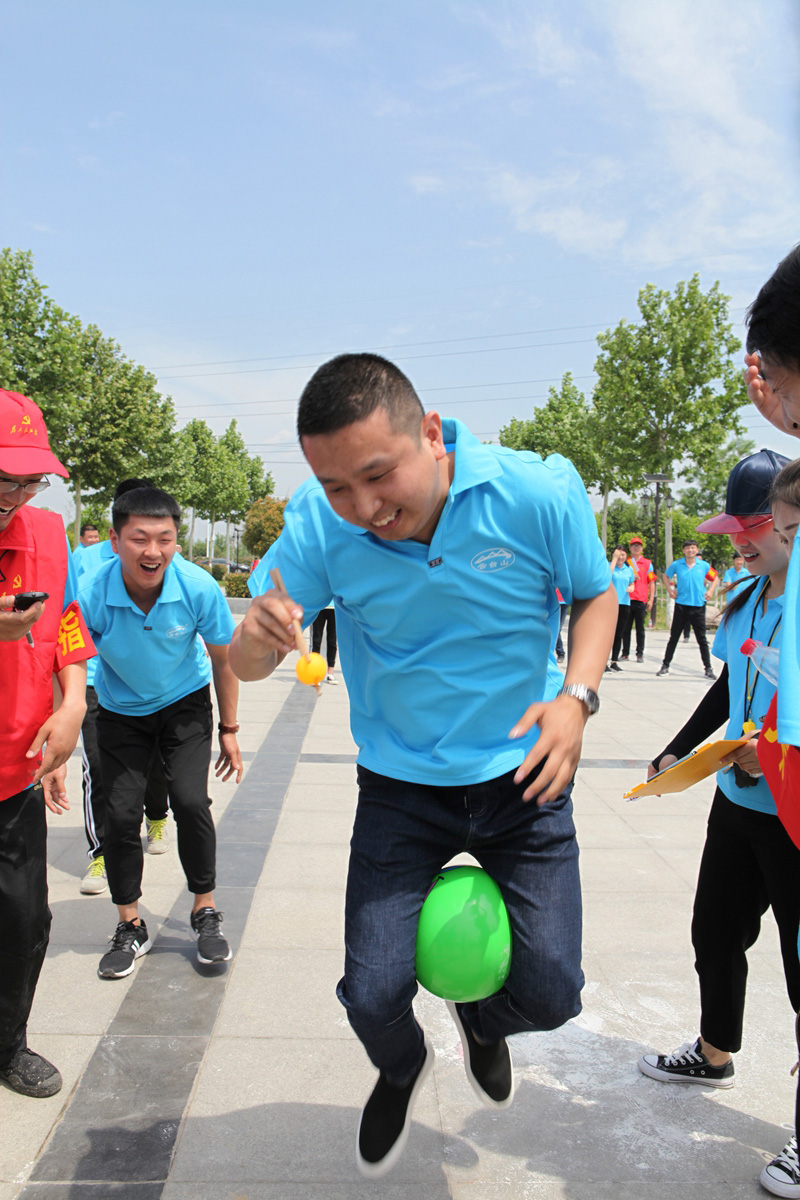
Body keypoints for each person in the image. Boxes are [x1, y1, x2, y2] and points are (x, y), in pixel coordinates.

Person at [229, 352, 617, 1177]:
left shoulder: (534, 492)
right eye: (337, 487)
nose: (364, 509)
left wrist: (577, 699)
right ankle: (403, 1066)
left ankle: (482, 1020)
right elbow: (250, 660)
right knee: (371, 996)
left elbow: (595, 593)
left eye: (378, 475)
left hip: (525, 778)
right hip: (401, 788)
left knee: (553, 992)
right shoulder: (319, 524)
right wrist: (255, 639)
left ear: (431, 434)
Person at [638, 452, 799, 1113]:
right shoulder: (749, 600)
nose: (740, 544)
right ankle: (713, 1053)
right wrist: (677, 749)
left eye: (753, 529)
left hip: (792, 812)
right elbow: (729, 685)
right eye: (734, 531)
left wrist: (779, 751)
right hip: (737, 799)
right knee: (716, 931)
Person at [77, 485, 244, 979]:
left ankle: (204, 910)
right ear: (115, 541)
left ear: (176, 541)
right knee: (120, 813)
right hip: (120, 710)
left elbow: (223, 658)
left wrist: (229, 729)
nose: (153, 551)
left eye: (165, 539)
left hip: (184, 705)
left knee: (190, 801)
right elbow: (68, 660)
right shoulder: (90, 592)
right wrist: (61, 725)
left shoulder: (197, 587)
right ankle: (129, 923)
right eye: (139, 539)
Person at [0, 389, 96, 1098]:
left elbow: (65, 620)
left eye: (30, 480)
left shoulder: (45, 531)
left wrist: (71, 703)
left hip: (15, 771)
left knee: (24, 918)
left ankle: (9, 1043)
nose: (16, 495)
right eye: (3, 479)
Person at [74, 481, 173, 896]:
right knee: (98, 768)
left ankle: (157, 816)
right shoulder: (84, 560)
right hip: (94, 679)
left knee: (155, 762)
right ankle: (100, 853)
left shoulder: (160, 557)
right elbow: (67, 618)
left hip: (150, 681)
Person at [656, 540, 718, 678]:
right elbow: (665, 576)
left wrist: (710, 591)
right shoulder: (677, 564)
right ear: (683, 550)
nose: (691, 550)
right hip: (681, 605)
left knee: (702, 639)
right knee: (674, 637)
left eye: (693, 548)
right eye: (688, 548)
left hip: (698, 605)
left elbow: (715, 578)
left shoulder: (704, 565)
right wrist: (670, 591)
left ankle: (708, 668)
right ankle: (665, 666)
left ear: (696, 550)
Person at [620, 536, 655, 661]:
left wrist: (651, 599)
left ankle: (640, 653)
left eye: (638, 545)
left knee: (640, 628)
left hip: (641, 599)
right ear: (630, 548)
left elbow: (652, 582)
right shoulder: (626, 562)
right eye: (634, 545)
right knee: (626, 628)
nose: (636, 548)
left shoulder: (647, 563)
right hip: (627, 599)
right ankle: (625, 653)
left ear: (642, 548)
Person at [606, 546, 635, 672]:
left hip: (624, 603)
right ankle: (602, 662)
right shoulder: (609, 566)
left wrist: (632, 587)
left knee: (619, 634)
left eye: (623, 555)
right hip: (610, 603)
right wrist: (614, 559)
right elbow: (608, 576)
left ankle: (614, 661)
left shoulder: (629, 569)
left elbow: (632, 582)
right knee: (607, 634)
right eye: (618, 554)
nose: (620, 557)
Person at [311, 602, 338, 683]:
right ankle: (315, 674)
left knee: (332, 641)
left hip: (334, 607)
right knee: (316, 641)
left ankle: (330, 673)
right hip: (319, 607)